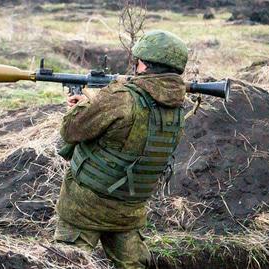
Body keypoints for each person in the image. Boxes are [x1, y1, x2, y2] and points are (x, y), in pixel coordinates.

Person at [54, 30, 188, 269]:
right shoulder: (176, 110)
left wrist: (85, 105)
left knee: (68, 262)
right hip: (128, 210)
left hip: (85, 205)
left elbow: (71, 131)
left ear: (144, 64)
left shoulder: (121, 97)